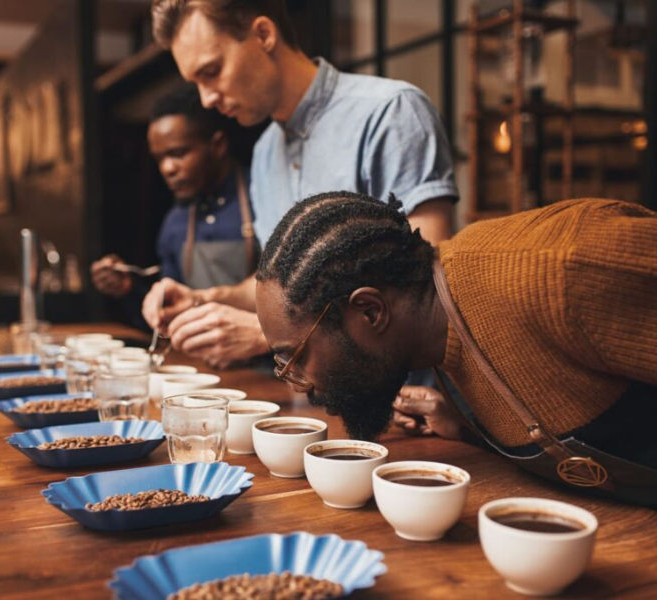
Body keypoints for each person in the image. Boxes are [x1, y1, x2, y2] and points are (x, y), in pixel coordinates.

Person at [254, 191, 657, 505]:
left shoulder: (564, 267)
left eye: (297, 355)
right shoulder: (432, 335)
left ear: (370, 311)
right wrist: (469, 433)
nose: (298, 384)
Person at [142, 0, 459, 369]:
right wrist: (206, 298)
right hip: (305, 396)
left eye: (212, 71)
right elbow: (280, 284)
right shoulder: (263, 152)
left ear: (263, 34)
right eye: (196, 82)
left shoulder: (390, 112)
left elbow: (425, 288)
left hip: (401, 402)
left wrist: (268, 335)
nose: (206, 99)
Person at [91, 83, 258, 304]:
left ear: (218, 145)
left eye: (178, 153)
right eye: (159, 158)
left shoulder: (262, 194)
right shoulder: (175, 222)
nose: (167, 169)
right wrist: (129, 288)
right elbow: (169, 311)